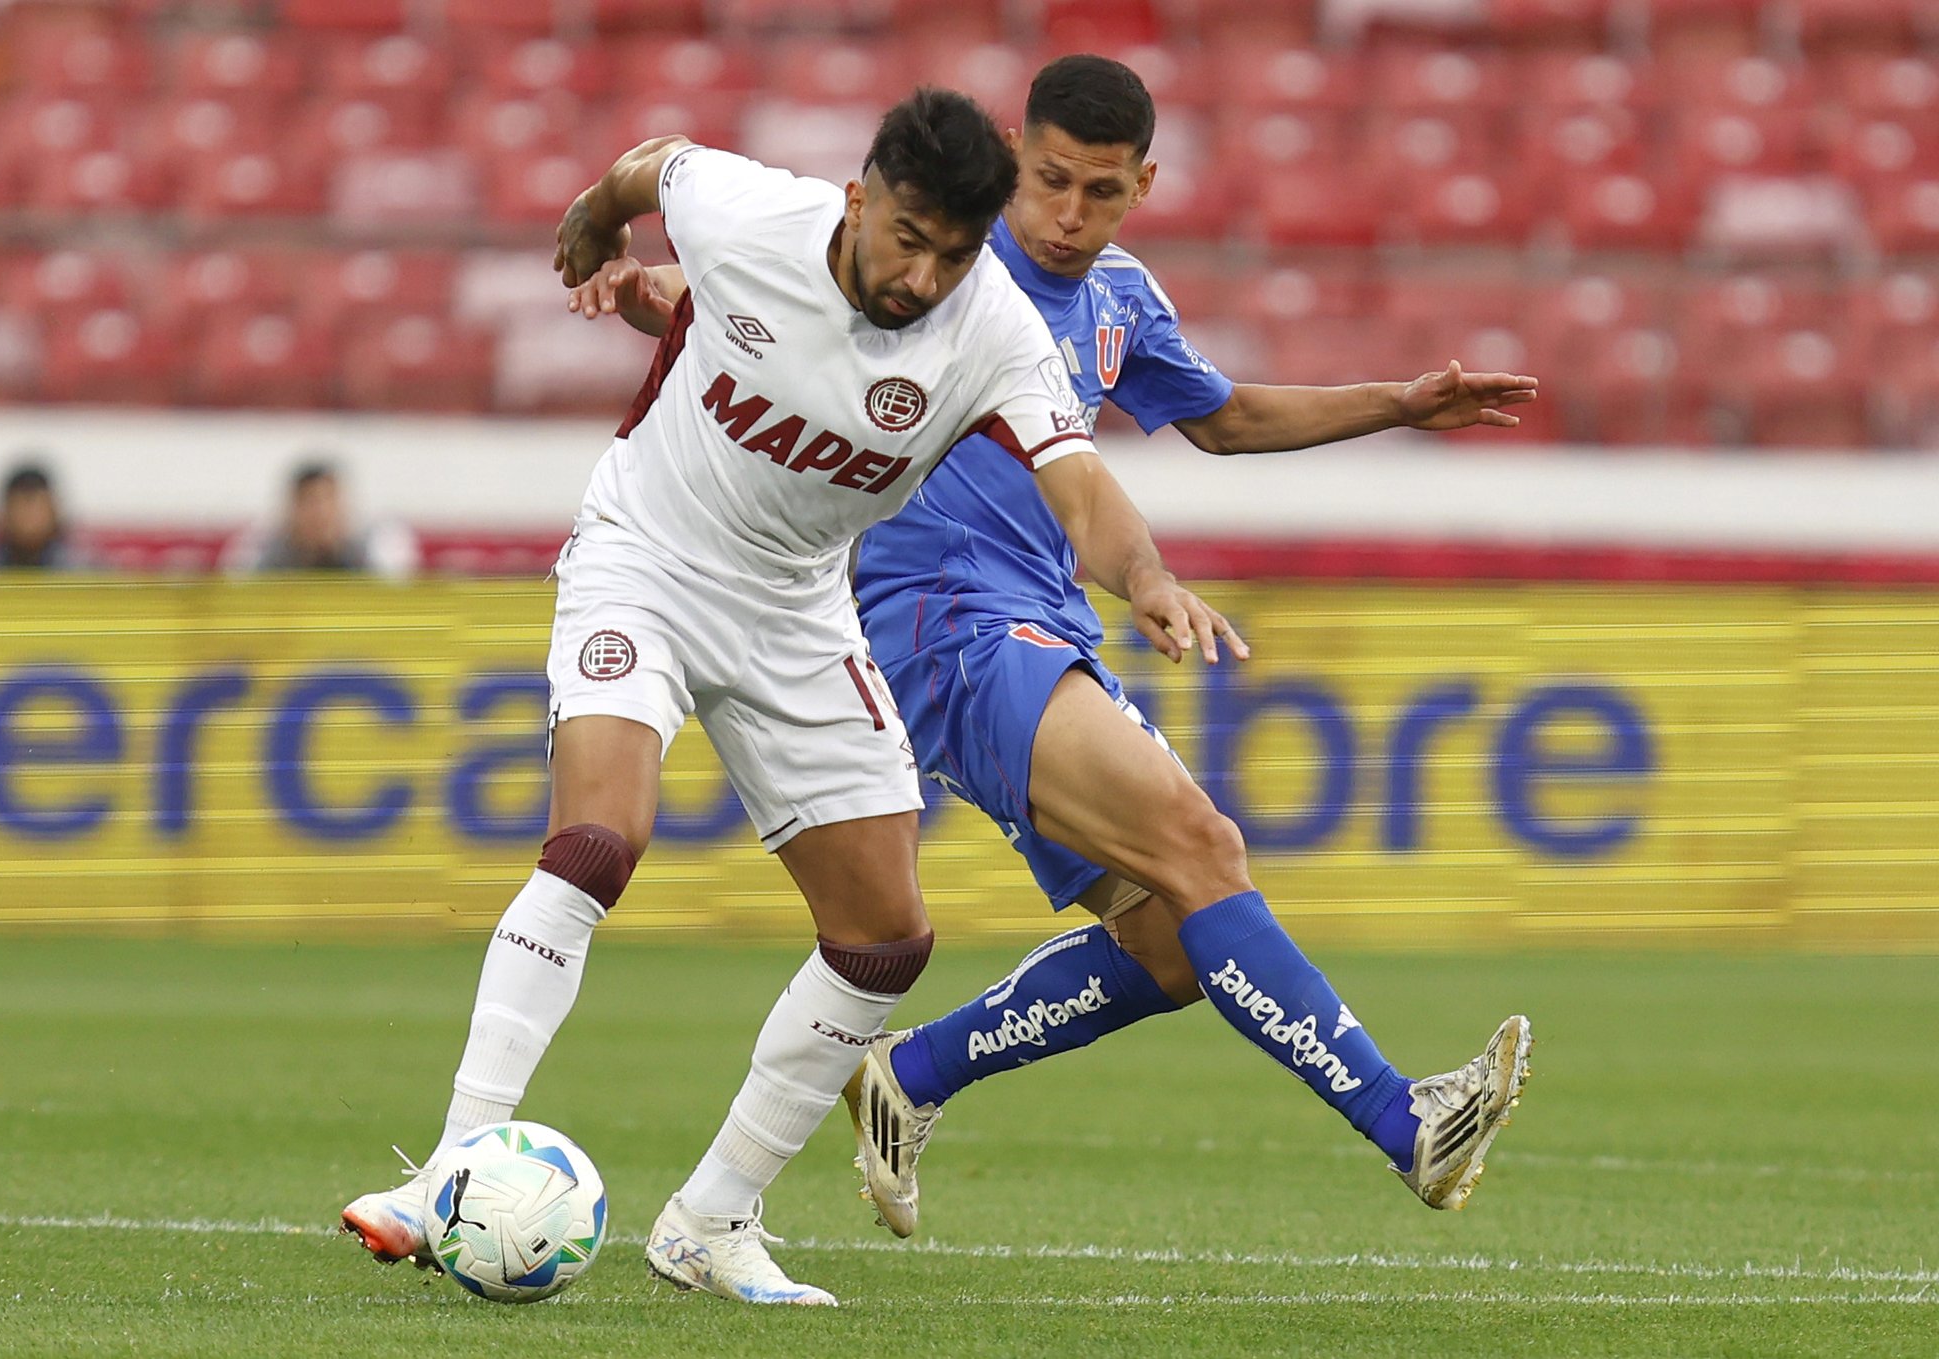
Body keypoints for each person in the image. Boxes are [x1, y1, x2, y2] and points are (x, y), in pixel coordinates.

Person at [573, 55, 1539, 1242]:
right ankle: (1406, 1123)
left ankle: (908, 1078)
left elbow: (1222, 419)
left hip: (1038, 620)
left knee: (1170, 947)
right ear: (1012, 159)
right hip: (938, 620)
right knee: (1201, 845)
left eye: (1099, 192)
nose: (1067, 216)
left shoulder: (1118, 297)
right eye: (1046, 183)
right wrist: (653, 290)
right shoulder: (946, 278)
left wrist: (1396, 402)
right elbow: (789, 294)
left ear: (1143, 185)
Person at [339, 89, 1242, 1307]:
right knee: (601, 838)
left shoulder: (993, 329)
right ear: (860, 199)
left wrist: (1145, 575)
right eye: (906, 239)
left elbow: (1079, 486)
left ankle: (711, 1220)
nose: (922, 278)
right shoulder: (750, 212)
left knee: (884, 938)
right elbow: (647, 165)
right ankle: (445, 1170)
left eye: (954, 254)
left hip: (799, 609)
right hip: (645, 561)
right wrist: (592, 225)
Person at [220, 460, 419, 579]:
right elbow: (237, 595)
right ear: (292, 507)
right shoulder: (262, 548)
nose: (320, 513)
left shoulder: (373, 544)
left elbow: (394, 597)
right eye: (310, 501)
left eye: (328, 501)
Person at [0, 462, 95, 570]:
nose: (29, 518)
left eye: (38, 508)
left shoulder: (85, 572)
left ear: (54, 512)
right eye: (21, 507)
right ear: (4, 514)